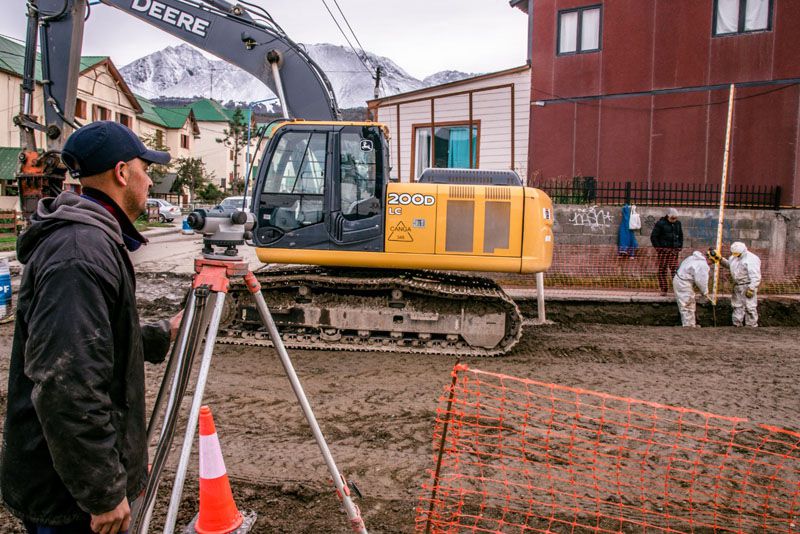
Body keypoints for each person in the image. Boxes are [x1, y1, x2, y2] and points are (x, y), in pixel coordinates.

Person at [1, 121, 181, 534]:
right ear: (122, 173)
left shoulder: (92, 240)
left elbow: (96, 339)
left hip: (73, 481)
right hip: (68, 497)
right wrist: (102, 491)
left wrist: (160, 332)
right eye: (144, 167)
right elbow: (69, 383)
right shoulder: (79, 253)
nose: (150, 179)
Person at [709, 242, 761, 327]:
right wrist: (720, 259)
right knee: (737, 306)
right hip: (737, 285)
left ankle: (751, 326)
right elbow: (730, 265)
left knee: (750, 307)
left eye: (737, 254)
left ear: (743, 251)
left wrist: (751, 288)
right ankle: (737, 325)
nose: (736, 255)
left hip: (747, 285)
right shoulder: (734, 257)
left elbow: (756, 276)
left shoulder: (752, 259)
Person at [673, 251, 711, 327]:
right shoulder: (702, 265)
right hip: (683, 283)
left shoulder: (693, 258)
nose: (711, 264)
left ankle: (690, 324)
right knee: (687, 304)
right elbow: (701, 281)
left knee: (688, 303)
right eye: (712, 262)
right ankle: (689, 326)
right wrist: (705, 292)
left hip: (680, 280)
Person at [650, 207, 683, 295]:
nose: (674, 220)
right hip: (663, 251)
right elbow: (653, 237)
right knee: (662, 270)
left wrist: (679, 246)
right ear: (668, 216)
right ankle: (663, 289)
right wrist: (659, 249)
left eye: (676, 218)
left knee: (675, 270)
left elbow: (680, 236)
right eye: (672, 218)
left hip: (674, 251)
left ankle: (677, 289)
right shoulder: (660, 224)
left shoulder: (678, 224)